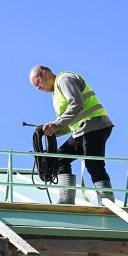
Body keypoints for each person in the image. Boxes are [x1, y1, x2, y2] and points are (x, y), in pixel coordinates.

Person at [28, 65, 115, 205]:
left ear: (45, 74)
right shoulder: (55, 93)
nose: (38, 87)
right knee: (60, 158)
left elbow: (76, 104)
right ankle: (66, 199)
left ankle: (107, 202)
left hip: (94, 125)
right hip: (82, 130)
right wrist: (52, 131)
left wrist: (56, 124)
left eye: (37, 82)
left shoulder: (64, 80)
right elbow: (69, 122)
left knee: (93, 163)